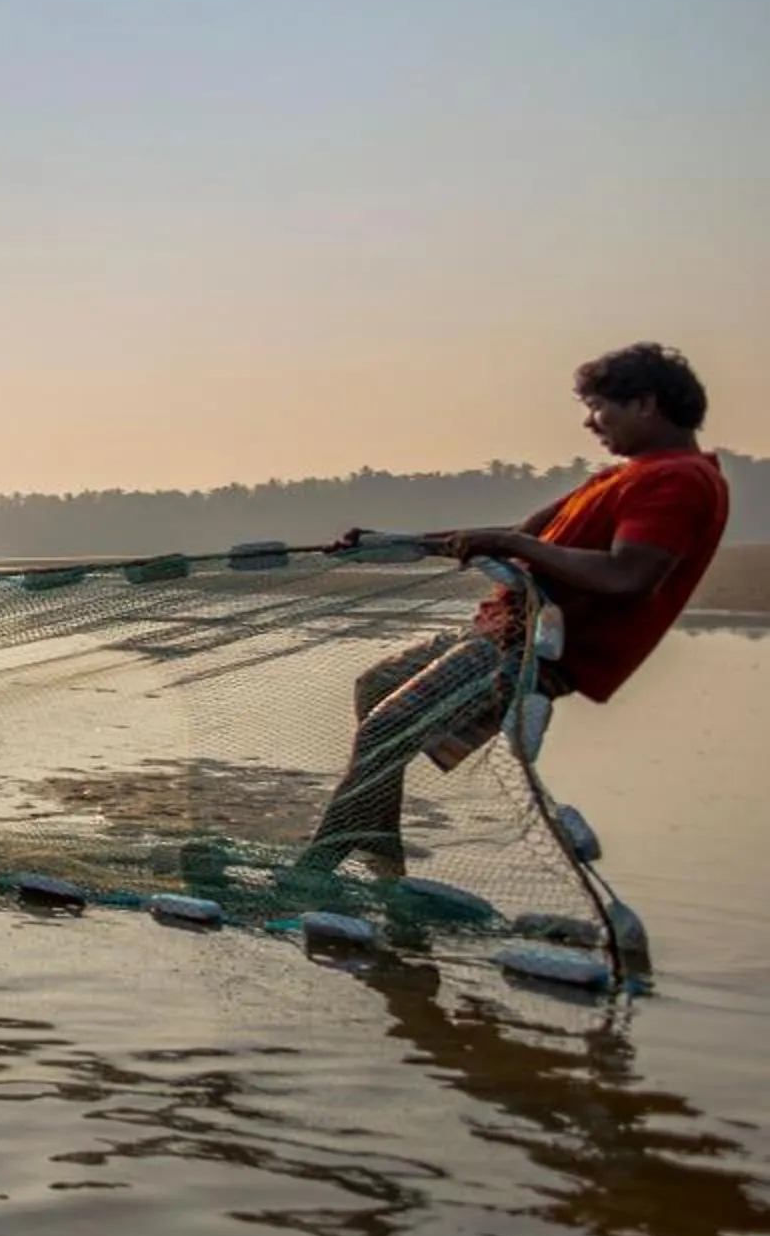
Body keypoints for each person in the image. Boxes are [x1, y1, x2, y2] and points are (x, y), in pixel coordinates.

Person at [303, 344, 730, 875]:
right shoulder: (622, 476)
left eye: (600, 407)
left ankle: (316, 868)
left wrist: (521, 549)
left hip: (532, 653)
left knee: (386, 728)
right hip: (497, 630)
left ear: (645, 403)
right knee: (375, 687)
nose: (591, 423)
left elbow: (628, 577)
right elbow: (515, 536)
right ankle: (379, 848)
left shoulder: (678, 479)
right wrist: (389, 541)